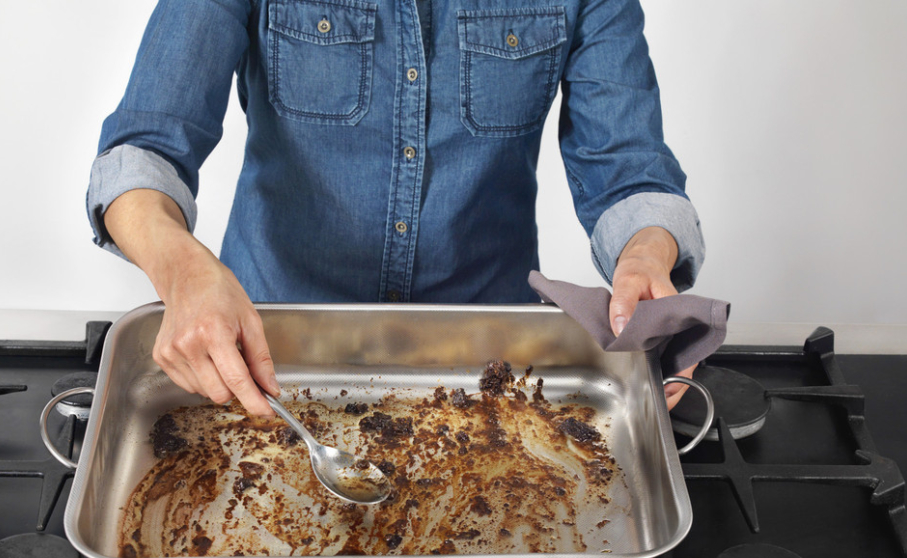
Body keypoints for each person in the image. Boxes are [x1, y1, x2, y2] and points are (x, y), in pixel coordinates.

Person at [87, 0, 704, 416]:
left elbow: (628, 169)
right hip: (266, 368)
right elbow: (141, 153)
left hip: (487, 376)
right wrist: (183, 270)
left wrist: (648, 252)